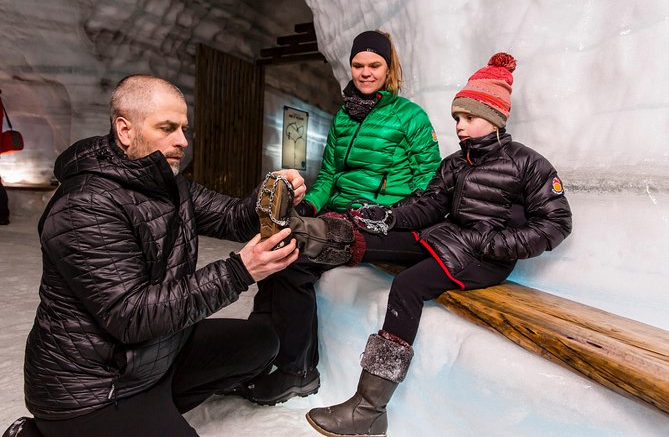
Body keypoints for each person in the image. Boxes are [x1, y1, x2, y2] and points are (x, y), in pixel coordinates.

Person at [2, 74, 307, 437]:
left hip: (152, 357)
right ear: (125, 130)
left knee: (259, 343)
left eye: (183, 128)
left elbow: (231, 218)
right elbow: (131, 316)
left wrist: (269, 196)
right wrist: (239, 272)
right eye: (167, 128)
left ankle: (153, 409)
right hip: (95, 388)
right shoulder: (85, 205)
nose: (182, 141)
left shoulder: (165, 180)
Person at [302, 52, 573, 436]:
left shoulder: (528, 165)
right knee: (378, 242)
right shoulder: (456, 163)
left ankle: (369, 409)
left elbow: (557, 223)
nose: (459, 126)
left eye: (468, 118)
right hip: (452, 240)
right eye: (456, 119)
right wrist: (390, 217)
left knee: (407, 285)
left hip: (486, 258)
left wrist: (494, 243)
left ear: (494, 118)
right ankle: (304, 234)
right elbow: (429, 206)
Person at [243, 29, 442, 405]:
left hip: (382, 223)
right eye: (358, 65)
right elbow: (330, 177)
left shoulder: (411, 118)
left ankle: (297, 371)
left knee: (292, 260)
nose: (365, 72)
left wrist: (393, 214)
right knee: (274, 248)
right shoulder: (344, 118)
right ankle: (258, 354)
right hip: (338, 214)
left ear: (389, 68)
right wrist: (309, 206)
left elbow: (430, 185)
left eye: (374, 65)